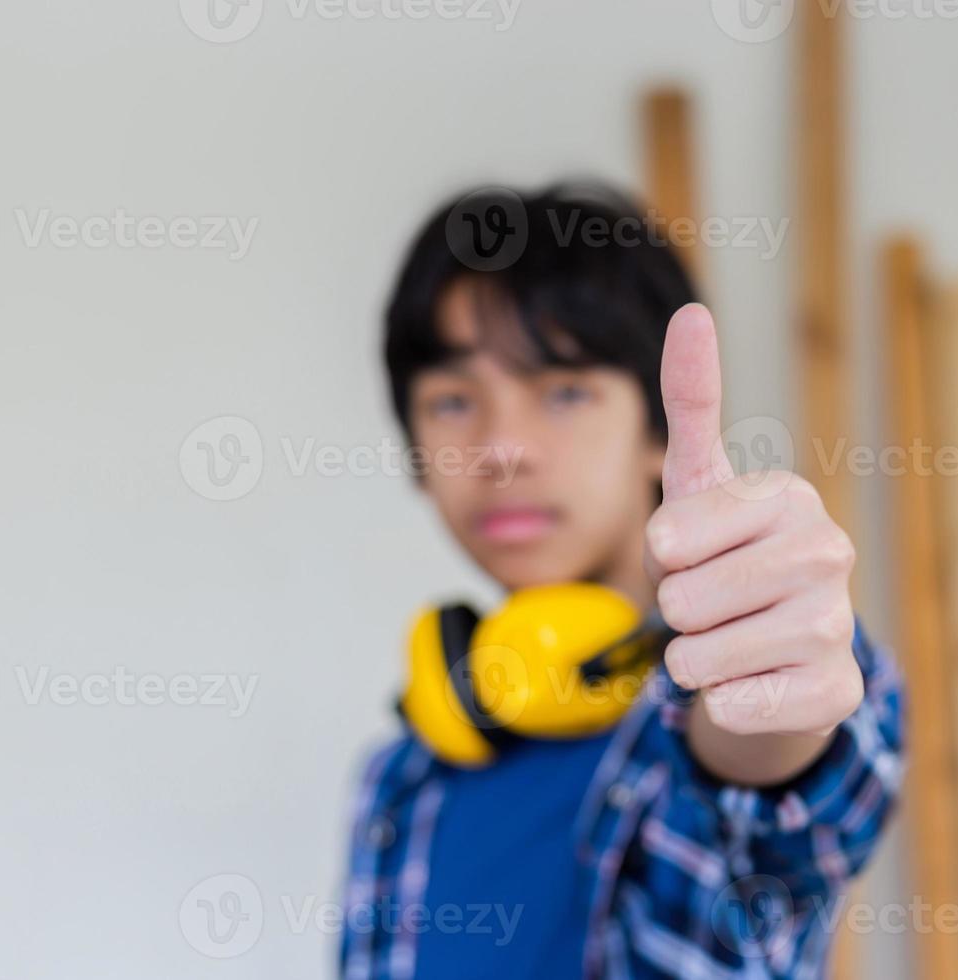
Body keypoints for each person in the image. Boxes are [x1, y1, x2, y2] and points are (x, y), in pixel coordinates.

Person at [338, 183, 904, 979]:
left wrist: (770, 682)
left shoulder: (764, 675)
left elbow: (774, 781)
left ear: (657, 432)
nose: (503, 448)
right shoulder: (397, 783)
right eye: (454, 399)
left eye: (564, 391)